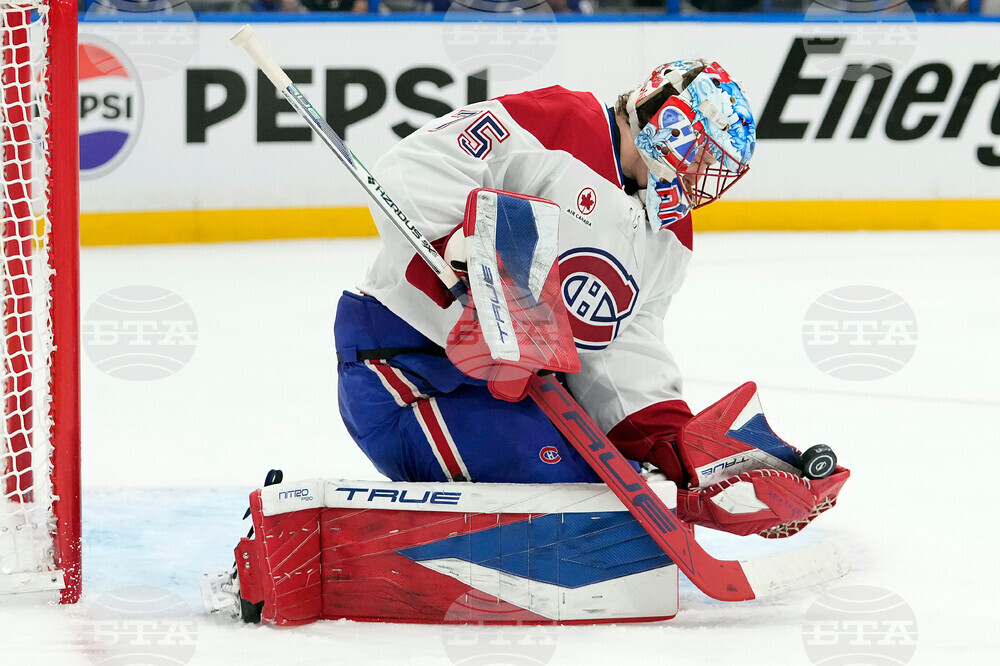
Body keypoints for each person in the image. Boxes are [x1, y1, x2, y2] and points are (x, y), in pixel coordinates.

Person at [335, 58, 756, 483]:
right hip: (403, 370)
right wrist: (468, 255)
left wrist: (667, 439)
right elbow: (413, 167)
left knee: (624, 486)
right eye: (702, 155)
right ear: (669, 125)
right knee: (567, 485)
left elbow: (623, 346)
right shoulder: (562, 123)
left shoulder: (669, 235)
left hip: (511, 396)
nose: (704, 175)